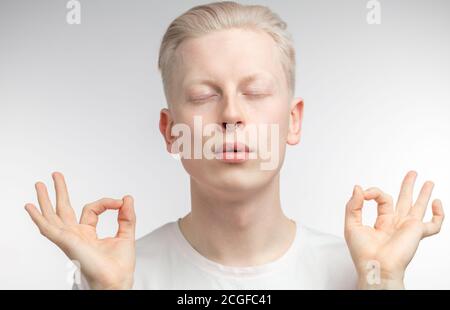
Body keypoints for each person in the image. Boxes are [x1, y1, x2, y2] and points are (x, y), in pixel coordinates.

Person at [24, 1, 444, 290]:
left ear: (292, 121)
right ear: (171, 131)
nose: (230, 114)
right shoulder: (117, 273)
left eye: (256, 91)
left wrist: (383, 280)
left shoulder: (360, 270)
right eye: (205, 96)